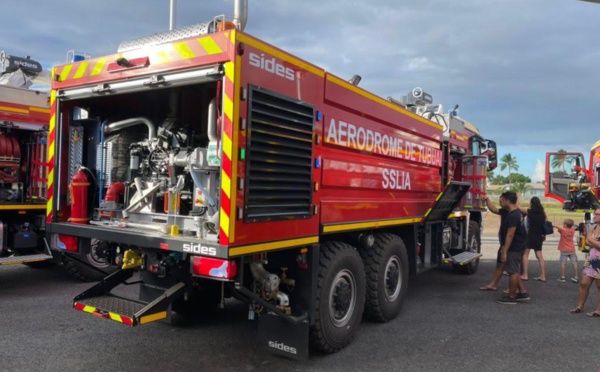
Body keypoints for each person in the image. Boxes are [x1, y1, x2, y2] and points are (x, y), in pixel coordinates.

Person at [480, 192, 529, 304]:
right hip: (517, 245)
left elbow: (510, 234)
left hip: (514, 247)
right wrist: (487, 200)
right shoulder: (513, 212)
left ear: (507, 200)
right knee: (513, 268)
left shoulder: (513, 215)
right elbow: (494, 209)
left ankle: (511, 297)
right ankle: (522, 292)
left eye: (501, 200)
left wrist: (504, 250)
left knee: (513, 271)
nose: (500, 202)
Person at [570, 207, 600, 317]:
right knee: (584, 283)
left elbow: (590, 241)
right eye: (595, 213)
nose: (595, 215)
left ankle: (598, 310)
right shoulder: (594, 226)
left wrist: (591, 241)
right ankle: (580, 306)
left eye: (598, 214)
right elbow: (586, 242)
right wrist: (593, 242)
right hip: (591, 258)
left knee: (599, 285)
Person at [519, 196, 547, 282]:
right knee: (540, 256)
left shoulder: (529, 211)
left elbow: (518, 208)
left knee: (525, 255)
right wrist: (544, 235)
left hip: (531, 235)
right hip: (539, 236)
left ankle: (525, 275)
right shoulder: (543, 214)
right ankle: (543, 275)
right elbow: (545, 225)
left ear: (531, 203)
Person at [554, 218, 578, 283]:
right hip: (571, 249)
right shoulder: (572, 230)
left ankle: (563, 277)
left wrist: (554, 225)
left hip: (564, 249)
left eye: (564, 224)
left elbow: (558, 227)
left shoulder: (563, 230)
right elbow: (572, 227)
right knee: (574, 262)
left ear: (566, 225)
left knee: (563, 263)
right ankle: (576, 276)